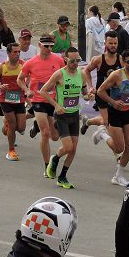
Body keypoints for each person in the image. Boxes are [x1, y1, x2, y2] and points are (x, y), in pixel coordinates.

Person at [37, 47, 91, 189]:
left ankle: (62, 177)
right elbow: (43, 91)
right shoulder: (59, 74)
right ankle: (54, 158)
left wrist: (88, 96)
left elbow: (84, 93)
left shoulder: (82, 74)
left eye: (78, 60)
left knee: (73, 149)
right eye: (72, 61)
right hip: (61, 115)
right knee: (68, 147)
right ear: (65, 60)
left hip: (74, 115)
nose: (75, 63)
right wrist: (56, 105)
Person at [95, 48, 129, 186]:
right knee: (119, 148)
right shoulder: (116, 75)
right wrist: (113, 102)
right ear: (123, 62)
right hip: (115, 113)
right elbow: (100, 91)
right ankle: (103, 134)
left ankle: (118, 176)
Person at [17, 35, 65, 174]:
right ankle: (47, 166)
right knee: (45, 134)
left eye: (51, 46)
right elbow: (20, 79)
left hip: (54, 101)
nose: (49, 49)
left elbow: (65, 75)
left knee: (55, 136)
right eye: (46, 46)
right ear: (39, 45)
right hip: (38, 100)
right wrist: (27, 90)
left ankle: (36, 124)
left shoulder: (58, 60)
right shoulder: (31, 62)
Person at [0, 44, 27, 161]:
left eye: (18, 52)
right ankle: (11, 151)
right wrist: (0, 86)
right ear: (8, 53)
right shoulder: (2, 67)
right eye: (15, 52)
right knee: (13, 125)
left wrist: (28, 89)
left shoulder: (23, 65)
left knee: (21, 127)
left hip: (19, 99)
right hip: (5, 99)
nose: (17, 54)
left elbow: (31, 77)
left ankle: (6, 124)